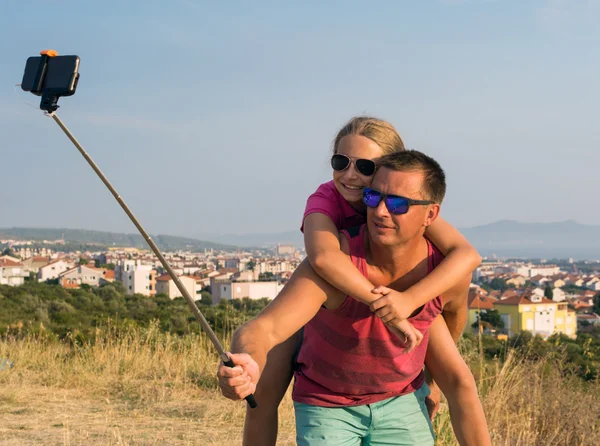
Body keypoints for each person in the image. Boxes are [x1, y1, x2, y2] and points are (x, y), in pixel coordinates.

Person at [218, 151, 490, 445]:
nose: (382, 211)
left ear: (431, 215)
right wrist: (248, 358)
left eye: (398, 204)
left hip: (401, 399)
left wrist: (432, 379)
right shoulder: (339, 263)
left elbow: (451, 321)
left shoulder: (445, 273)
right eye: (373, 198)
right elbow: (263, 328)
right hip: (328, 402)